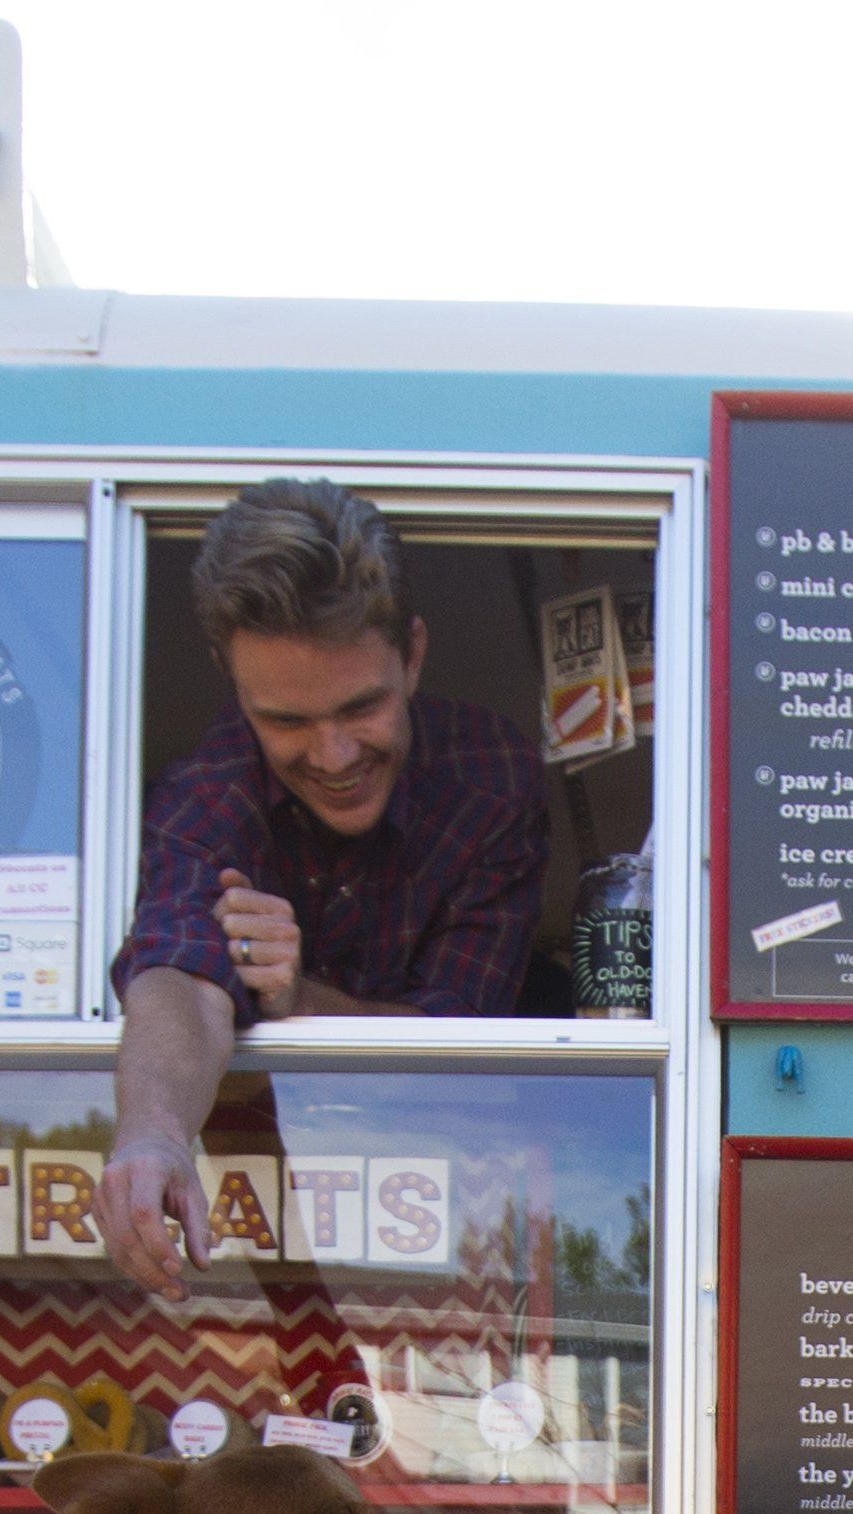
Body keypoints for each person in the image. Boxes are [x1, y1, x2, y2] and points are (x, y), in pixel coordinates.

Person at [99, 479, 550, 1284]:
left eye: (360, 707)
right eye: (287, 720)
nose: (334, 756)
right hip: (264, 1217)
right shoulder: (204, 792)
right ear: (231, 685)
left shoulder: (493, 779)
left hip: (462, 1209)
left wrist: (298, 1000)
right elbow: (175, 974)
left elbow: (461, 1048)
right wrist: (153, 1138)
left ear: (411, 655)